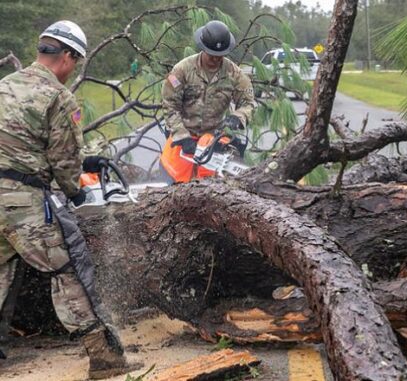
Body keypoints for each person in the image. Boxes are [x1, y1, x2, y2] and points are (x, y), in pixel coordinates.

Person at [0, 20, 137, 379]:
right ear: (67, 56)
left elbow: (22, 144)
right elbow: (64, 164)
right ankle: (106, 359)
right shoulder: (59, 97)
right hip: (21, 201)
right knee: (70, 269)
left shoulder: (5, 85)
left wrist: (81, 161)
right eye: (75, 62)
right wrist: (77, 191)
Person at [159, 20, 255, 183]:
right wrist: (182, 135)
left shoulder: (234, 74)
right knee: (171, 185)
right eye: (212, 54)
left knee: (213, 190)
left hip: (213, 140)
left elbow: (248, 102)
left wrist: (238, 116)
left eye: (220, 56)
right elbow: (169, 105)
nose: (216, 59)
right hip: (183, 140)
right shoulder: (182, 70)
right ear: (203, 47)